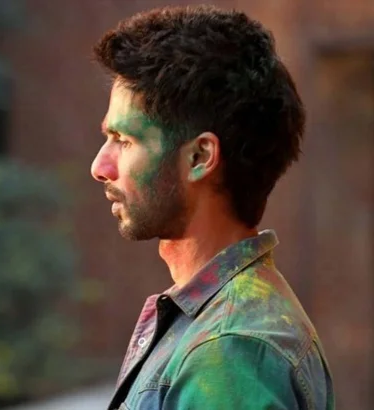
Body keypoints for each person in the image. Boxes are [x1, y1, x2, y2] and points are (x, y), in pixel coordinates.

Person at [89, 5, 334, 409]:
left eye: (124, 140)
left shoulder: (231, 350)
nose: (100, 167)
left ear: (200, 157)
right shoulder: (214, 324)